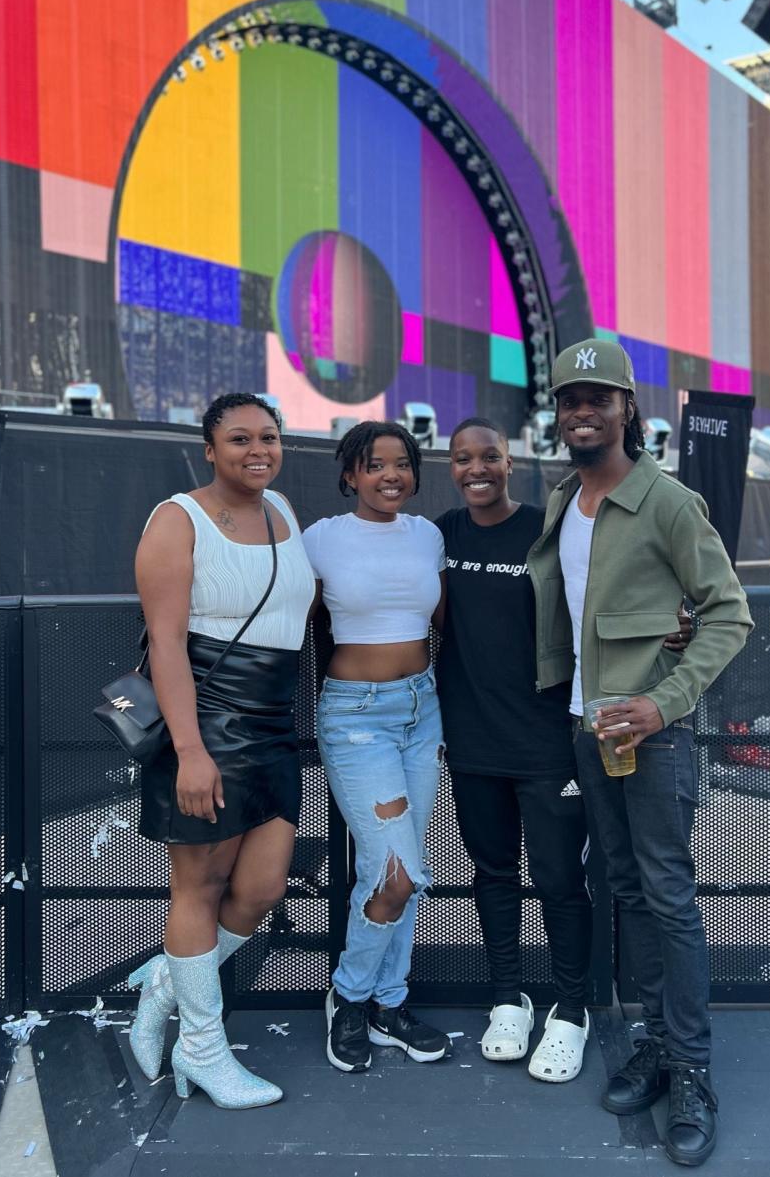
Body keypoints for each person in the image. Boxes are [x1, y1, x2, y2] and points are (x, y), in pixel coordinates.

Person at [527, 339, 753, 1168]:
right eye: (569, 400)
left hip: (650, 736)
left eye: (599, 398)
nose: (582, 412)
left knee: (666, 895)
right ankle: (656, 1043)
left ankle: (691, 1069)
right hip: (590, 733)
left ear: (628, 409)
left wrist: (663, 702)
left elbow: (728, 614)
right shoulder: (564, 500)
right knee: (624, 887)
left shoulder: (667, 501)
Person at [435, 417, 694, 1083]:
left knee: (559, 878)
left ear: (511, 460)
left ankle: (570, 1010)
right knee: (491, 873)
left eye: (489, 454)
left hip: (551, 737)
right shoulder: (440, 535)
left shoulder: (546, 527)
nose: (477, 468)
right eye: (463, 458)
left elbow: (611, 591)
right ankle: (506, 997)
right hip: (470, 738)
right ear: (452, 465)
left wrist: (674, 624)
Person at [128, 392, 316, 1108]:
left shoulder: (285, 512)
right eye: (239, 439)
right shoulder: (176, 519)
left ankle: (165, 984)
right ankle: (202, 1049)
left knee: (263, 887)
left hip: (273, 724)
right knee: (198, 889)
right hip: (204, 723)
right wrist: (190, 750)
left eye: (269, 436)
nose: (257, 449)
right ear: (209, 449)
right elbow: (167, 642)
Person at [303, 421, 451, 1074]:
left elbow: (444, 622)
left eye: (402, 463)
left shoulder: (429, 536)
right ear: (349, 474)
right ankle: (348, 994)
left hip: (422, 711)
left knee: (404, 870)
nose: (390, 475)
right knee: (396, 871)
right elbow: (297, 623)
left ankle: (390, 1002)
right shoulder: (320, 539)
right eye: (374, 464)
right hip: (357, 720)